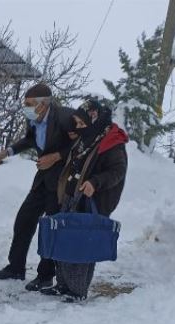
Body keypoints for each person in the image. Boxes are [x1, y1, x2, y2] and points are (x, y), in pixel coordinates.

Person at [0, 83, 76, 291]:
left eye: (29, 104)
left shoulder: (64, 117)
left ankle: (45, 276)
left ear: (43, 104)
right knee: (24, 219)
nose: (25, 107)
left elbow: (80, 143)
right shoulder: (33, 119)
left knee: (50, 228)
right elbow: (29, 139)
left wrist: (56, 157)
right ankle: (16, 267)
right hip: (43, 179)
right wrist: (5, 152)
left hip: (61, 182)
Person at [41, 99, 129, 302]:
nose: (78, 128)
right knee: (65, 239)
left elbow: (117, 171)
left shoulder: (111, 142)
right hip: (72, 196)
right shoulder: (88, 138)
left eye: (81, 124)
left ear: (94, 119)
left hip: (92, 200)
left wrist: (95, 182)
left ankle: (77, 290)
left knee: (81, 245)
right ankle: (63, 285)